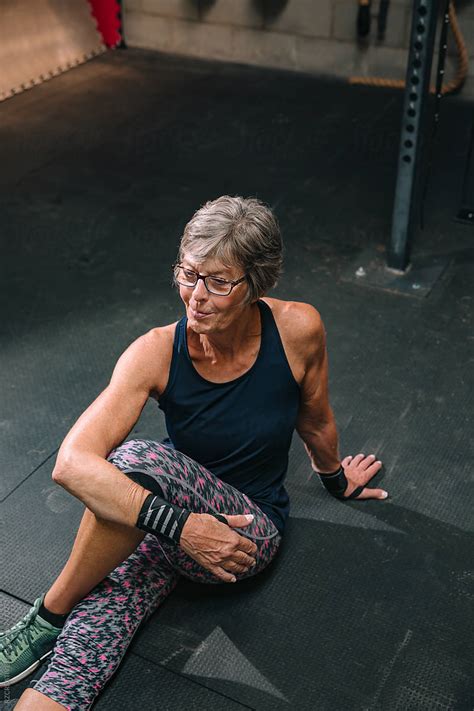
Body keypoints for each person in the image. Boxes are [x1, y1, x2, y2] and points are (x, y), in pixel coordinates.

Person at [0, 195, 388, 710]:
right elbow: (70, 462)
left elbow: (314, 417)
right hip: (164, 520)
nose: (195, 296)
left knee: (137, 463)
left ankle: (47, 614)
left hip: (243, 535)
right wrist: (181, 528)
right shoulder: (156, 350)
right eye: (188, 274)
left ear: (257, 283)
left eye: (218, 282)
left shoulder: (298, 329)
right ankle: (51, 644)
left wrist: (337, 478)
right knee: (92, 636)